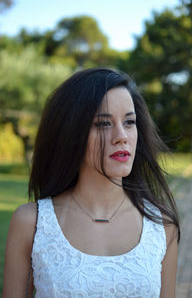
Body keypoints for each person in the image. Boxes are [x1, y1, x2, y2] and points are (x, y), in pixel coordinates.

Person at [3, 68, 180, 298]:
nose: (121, 136)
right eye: (103, 124)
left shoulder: (162, 226)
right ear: (72, 132)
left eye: (129, 122)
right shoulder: (32, 223)